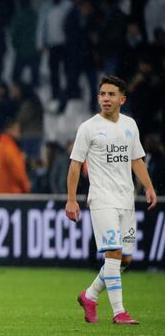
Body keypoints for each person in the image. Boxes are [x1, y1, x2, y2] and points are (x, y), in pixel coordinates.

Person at [65, 75, 157, 325]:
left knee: (125, 259)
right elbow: (75, 166)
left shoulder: (130, 125)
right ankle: (119, 312)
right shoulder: (88, 128)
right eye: (102, 94)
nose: (106, 98)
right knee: (114, 254)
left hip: (126, 200)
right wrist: (71, 199)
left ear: (122, 99)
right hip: (102, 199)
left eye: (111, 94)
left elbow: (136, 159)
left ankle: (89, 295)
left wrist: (148, 187)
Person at [0, 119, 31, 194]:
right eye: (17, 129)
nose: (19, 132)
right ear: (9, 129)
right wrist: (27, 188)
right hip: (12, 194)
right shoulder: (10, 148)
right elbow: (18, 172)